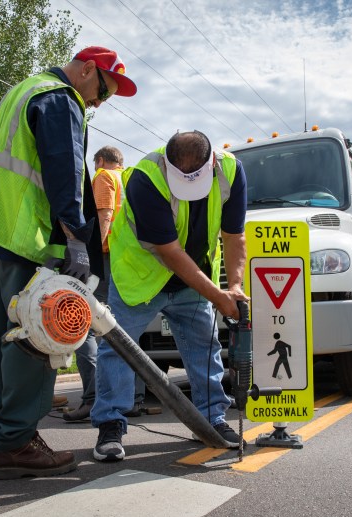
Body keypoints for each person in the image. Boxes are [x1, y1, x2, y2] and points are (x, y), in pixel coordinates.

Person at [0, 46, 137, 479]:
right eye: (102, 91)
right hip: (27, 238)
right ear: (88, 70)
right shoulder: (61, 99)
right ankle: (16, 443)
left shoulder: (25, 90)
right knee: (35, 339)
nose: (97, 102)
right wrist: (76, 237)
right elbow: (65, 170)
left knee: (5, 338)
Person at [90, 130, 248, 462]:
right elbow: (170, 252)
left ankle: (211, 419)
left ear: (211, 163)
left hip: (194, 279)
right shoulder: (145, 178)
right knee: (118, 349)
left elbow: (234, 236)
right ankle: (110, 426)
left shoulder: (231, 171)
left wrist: (234, 286)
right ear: (168, 162)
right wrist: (218, 298)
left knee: (204, 346)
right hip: (141, 276)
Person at [63, 146, 147, 422]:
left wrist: (89, 255)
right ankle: (133, 397)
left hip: (107, 257)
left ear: (100, 161)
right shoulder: (131, 178)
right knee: (122, 326)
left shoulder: (103, 176)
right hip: (130, 261)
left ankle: (93, 398)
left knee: (85, 323)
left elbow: (104, 215)